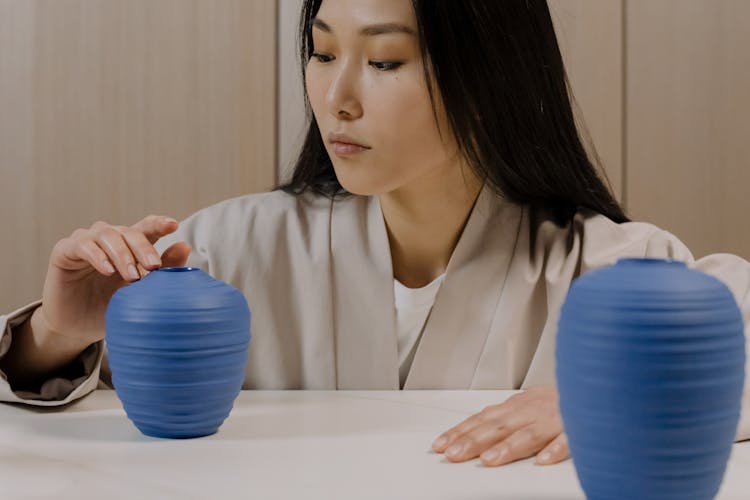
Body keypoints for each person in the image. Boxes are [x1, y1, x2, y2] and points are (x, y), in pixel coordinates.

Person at [1, 0, 748, 469]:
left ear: (491, 82)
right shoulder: (227, 251)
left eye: (383, 60)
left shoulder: (608, 268)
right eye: (323, 52)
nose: (337, 96)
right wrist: (58, 334)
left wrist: (621, 394)